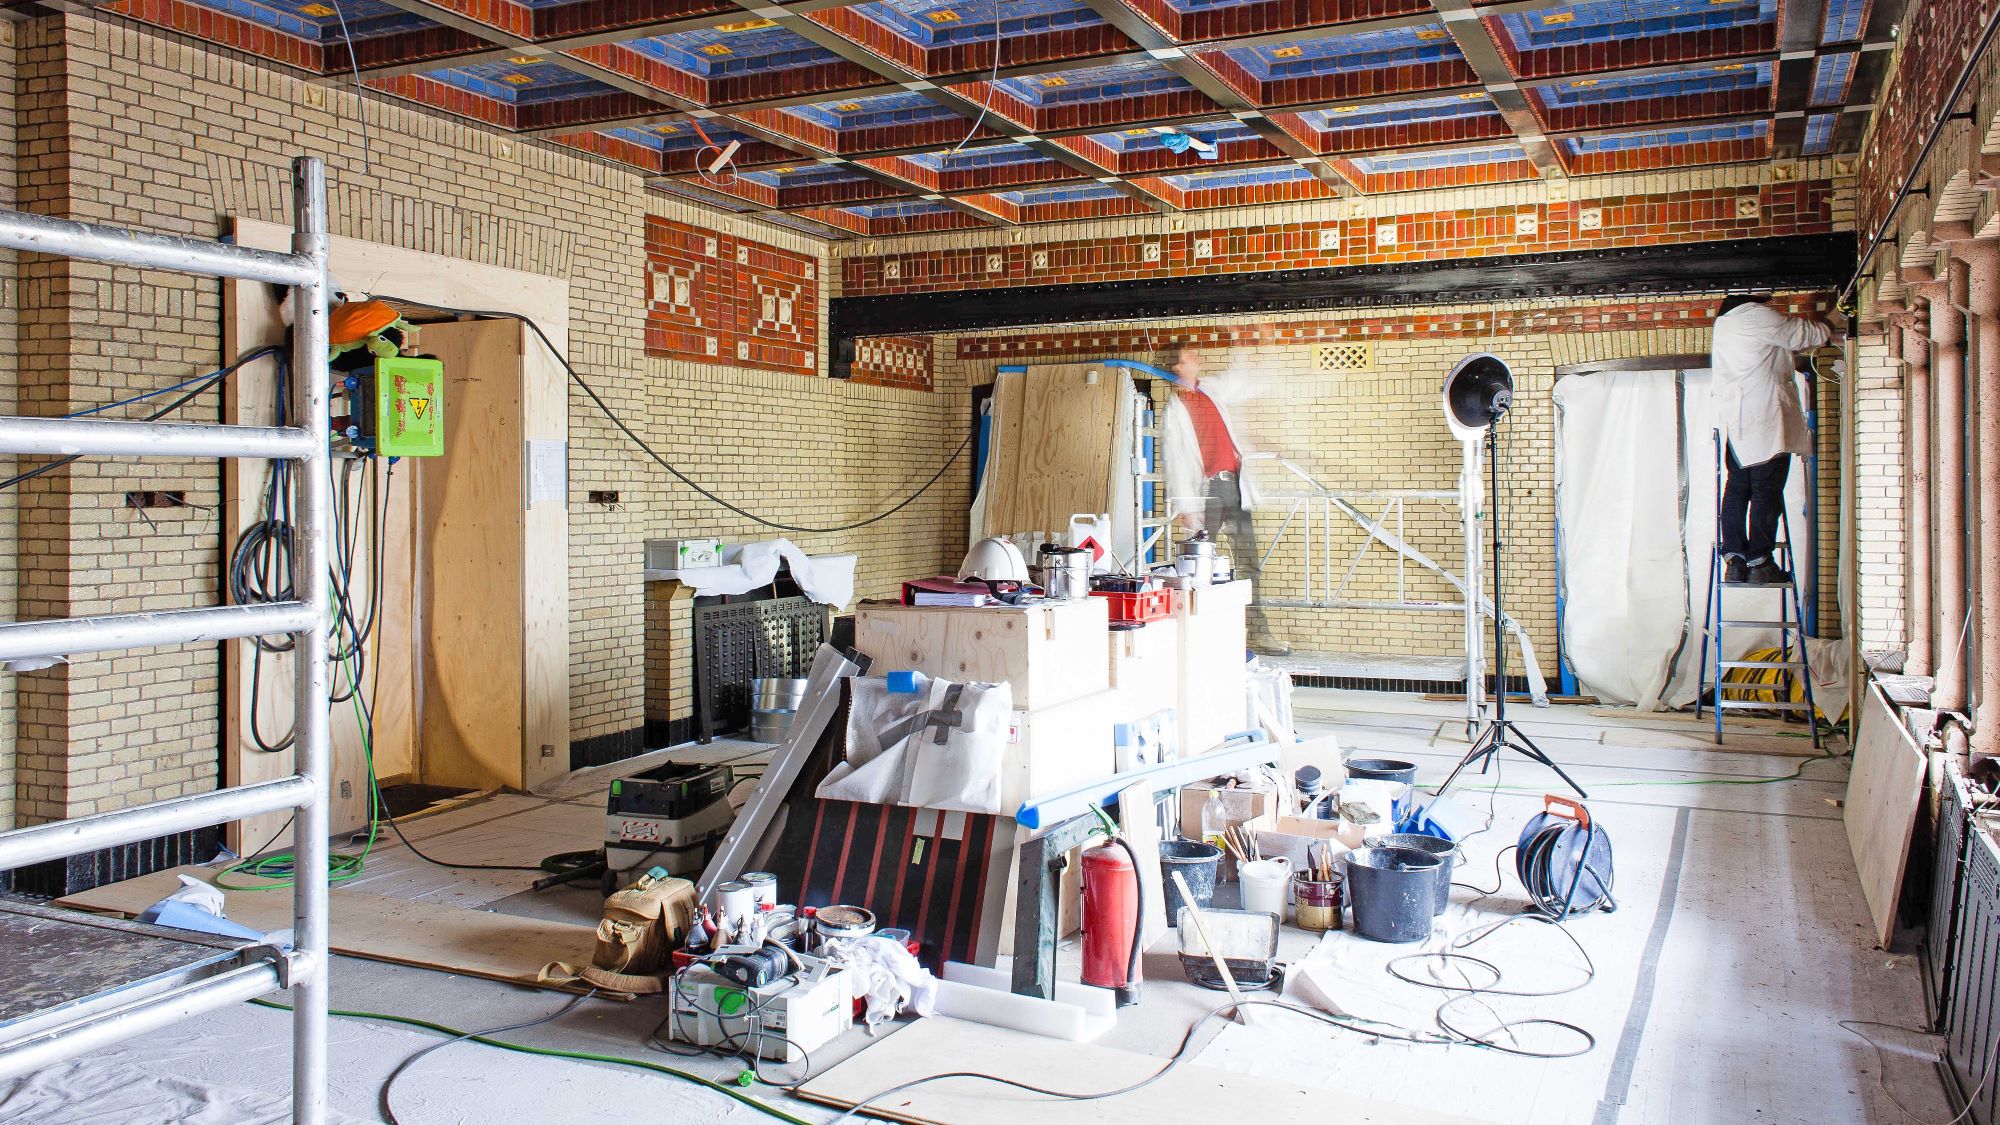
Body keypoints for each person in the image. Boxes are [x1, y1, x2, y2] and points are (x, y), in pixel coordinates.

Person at [1708, 294, 1841, 585]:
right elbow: (1807, 335)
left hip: (1739, 421)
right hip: (1765, 417)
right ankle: (1760, 560)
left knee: (1738, 488)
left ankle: (1735, 559)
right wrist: (1837, 314)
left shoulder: (1725, 323)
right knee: (1766, 489)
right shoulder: (1754, 315)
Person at [1161, 344, 1280, 650]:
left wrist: (1244, 346)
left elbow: (1239, 382)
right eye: (1190, 357)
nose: (1196, 359)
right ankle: (1202, 636)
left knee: (1248, 562)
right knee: (1200, 567)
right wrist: (1186, 506)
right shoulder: (1174, 411)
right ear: (1178, 367)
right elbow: (1174, 461)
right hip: (1208, 492)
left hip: (1235, 485)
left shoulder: (1210, 390)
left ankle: (1255, 632)